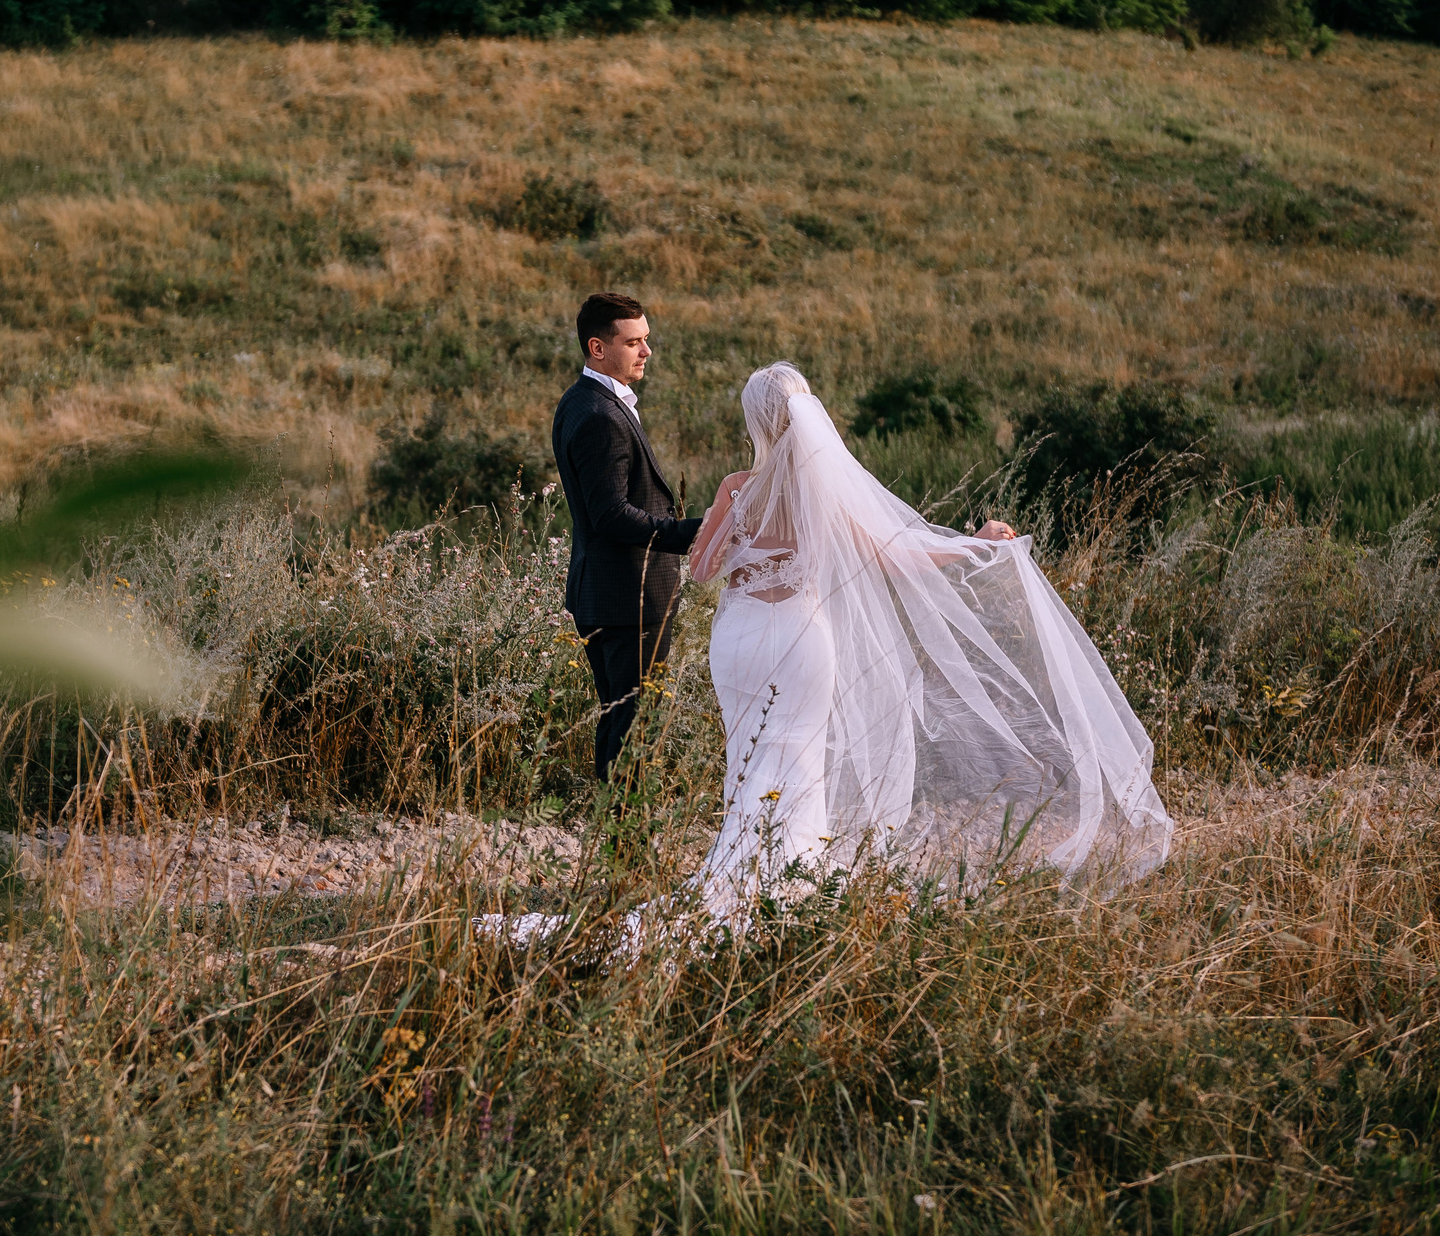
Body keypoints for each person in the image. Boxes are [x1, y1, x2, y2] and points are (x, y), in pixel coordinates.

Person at [482, 362, 1172, 952]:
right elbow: (901, 555)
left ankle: (742, 869)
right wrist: (979, 543)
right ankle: (789, 880)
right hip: (800, 638)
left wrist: (738, 541)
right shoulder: (820, 492)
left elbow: (701, 570)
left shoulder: (735, 488)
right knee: (798, 756)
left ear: (757, 419)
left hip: (741, 641)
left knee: (749, 755)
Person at [550, 291, 701, 785]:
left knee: (621, 720)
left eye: (647, 340)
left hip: (610, 594)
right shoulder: (598, 415)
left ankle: (614, 831)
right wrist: (690, 533)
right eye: (634, 342)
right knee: (633, 728)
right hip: (626, 599)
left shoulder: (586, 401)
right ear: (598, 347)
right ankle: (622, 840)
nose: (646, 352)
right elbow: (611, 514)